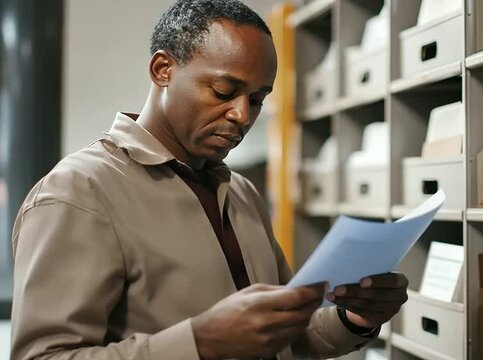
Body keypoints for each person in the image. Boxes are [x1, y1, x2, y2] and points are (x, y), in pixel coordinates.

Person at [10, 1, 409, 359]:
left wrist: (354, 317)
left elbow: (291, 335)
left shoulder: (240, 191)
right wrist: (200, 342)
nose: (242, 115)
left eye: (256, 99)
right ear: (162, 70)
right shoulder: (79, 192)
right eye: (223, 90)